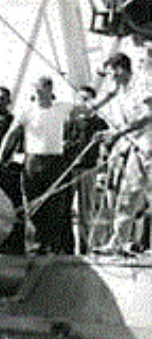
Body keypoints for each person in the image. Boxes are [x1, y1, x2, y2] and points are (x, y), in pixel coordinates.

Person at [0, 76, 74, 254]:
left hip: (55, 161)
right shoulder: (27, 110)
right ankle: (36, 246)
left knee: (55, 205)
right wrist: (0, 157)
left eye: (40, 89)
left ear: (49, 90)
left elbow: (88, 109)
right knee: (33, 204)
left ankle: (53, 246)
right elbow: (12, 134)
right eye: (36, 89)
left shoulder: (62, 108)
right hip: (33, 161)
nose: (37, 93)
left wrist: (111, 94)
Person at [93, 52, 151, 255]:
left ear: (120, 69)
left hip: (149, 146)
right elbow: (124, 123)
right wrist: (110, 133)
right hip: (137, 148)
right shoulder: (121, 91)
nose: (109, 78)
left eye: (110, 73)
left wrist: (119, 133)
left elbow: (149, 114)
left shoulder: (142, 85)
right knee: (127, 197)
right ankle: (117, 242)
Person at [63, 85, 109, 253]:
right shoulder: (69, 122)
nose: (83, 103)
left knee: (85, 210)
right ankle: (66, 248)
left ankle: (84, 247)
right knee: (65, 209)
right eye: (80, 99)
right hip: (69, 170)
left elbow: (108, 145)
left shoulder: (100, 123)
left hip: (88, 170)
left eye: (86, 99)